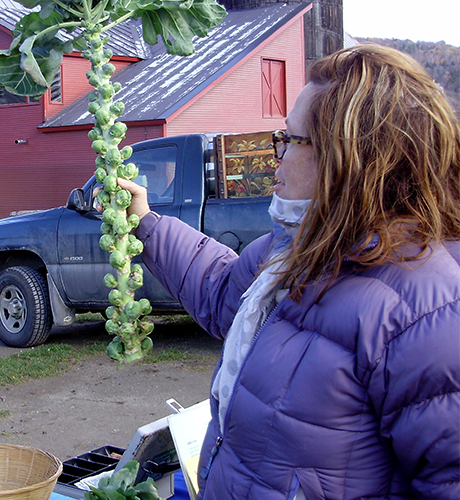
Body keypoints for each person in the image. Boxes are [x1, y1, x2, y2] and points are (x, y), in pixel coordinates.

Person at [113, 45, 460, 498]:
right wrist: (147, 222)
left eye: (288, 140)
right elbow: (222, 293)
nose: (273, 154)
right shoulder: (295, 248)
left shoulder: (425, 314)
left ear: (348, 158)